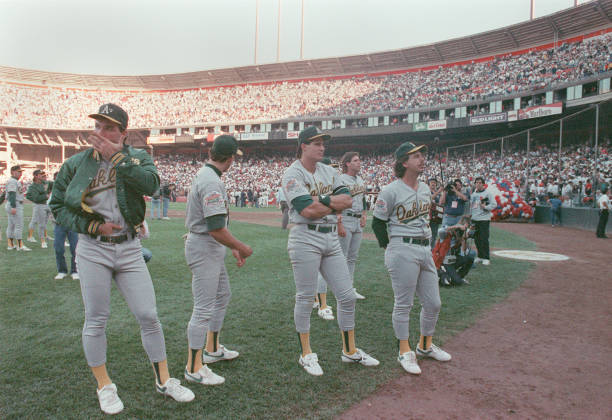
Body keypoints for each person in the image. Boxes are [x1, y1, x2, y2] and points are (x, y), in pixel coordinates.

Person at [49, 103, 194, 415]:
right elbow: (58, 205)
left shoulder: (137, 157)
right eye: (99, 126)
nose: (102, 133)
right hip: (92, 246)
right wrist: (91, 225)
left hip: (129, 247)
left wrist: (117, 157)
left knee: (148, 314)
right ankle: (105, 385)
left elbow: (152, 186)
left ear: (123, 133)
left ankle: (164, 379)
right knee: (97, 318)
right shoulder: (76, 163)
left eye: (110, 127)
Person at [282, 126, 379, 376]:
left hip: (331, 238)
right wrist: (329, 203)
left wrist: (321, 201)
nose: (322, 147)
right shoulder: (292, 173)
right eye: (316, 143)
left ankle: (350, 351)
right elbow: (307, 211)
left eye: (323, 143)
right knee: (305, 298)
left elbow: (346, 202)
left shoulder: (329, 170)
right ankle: (306, 353)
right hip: (305, 237)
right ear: (303, 145)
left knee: (346, 296)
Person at [372, 141, 451, 375]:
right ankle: (405, 351)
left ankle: (425, 346)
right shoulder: (391, 190)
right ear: (404, 162)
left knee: (433, 303)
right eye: (415, 156)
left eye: (422, 155)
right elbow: (378, 222)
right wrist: (391, 247)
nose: (422, 159)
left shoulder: (425, 188)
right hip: (402, 248)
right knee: (404, 303)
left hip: (424, 248)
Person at [183, 134, 253, 386]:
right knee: (203, 308)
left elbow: (216, 227)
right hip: (205, 245)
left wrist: (230, 247)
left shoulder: (208, 175)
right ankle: (193, 366)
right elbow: (215, 228)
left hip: (208, 244)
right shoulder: (211, 181)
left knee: (222, 295)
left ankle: (211, 349)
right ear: (230, 158)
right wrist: (240, 246)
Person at [50, 173, 79, 280]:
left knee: (75, 248)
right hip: (59, 224)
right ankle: (61, 270)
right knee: (58, 248)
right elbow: (51, 206)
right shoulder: (55, 192)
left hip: (72, 224)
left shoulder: (74, 190)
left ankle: (75, 271)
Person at [469, 177, 496, 265]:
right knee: (476, 239)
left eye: (480, 182)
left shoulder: (488, 193)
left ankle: (486, 257)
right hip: (474, 219)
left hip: (484, 219)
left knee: (484, 238)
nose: (478, 184)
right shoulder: (473, 194)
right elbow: (471, 206)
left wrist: (486, 207)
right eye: (476, 182)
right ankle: (480, 256)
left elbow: (494, 204)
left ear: (483, 184)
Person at [5, 165, 31, 251]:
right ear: (13, 172)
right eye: (18, 171)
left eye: (21, 172)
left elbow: (5, 194)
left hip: (13, 203)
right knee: (18, 225)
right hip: (15, 204)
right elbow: (12, 194)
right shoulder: (13, 181)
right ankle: (20, 245)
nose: (20, 173)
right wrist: (13, 206)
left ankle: (10, 245)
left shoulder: (15, 181)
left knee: (11, 225)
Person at [26, 169, 51, 248]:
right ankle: (42, 241)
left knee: (45, 222)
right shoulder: (33, 186)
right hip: (40, 205)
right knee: (40, 223)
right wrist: (45, 196)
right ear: (36, 176)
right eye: (40, 174)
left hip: (46, 204)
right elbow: (35, 197)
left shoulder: (44, 183)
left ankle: (43, 236)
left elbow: (52, 184)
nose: (42, 175)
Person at [428, 178, 443, 248]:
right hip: (427, 216)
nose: (433, 184)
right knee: (426, 235)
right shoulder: (426, 191)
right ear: (429, 184)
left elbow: (440, 203)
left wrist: (442, 193)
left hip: (435, 217)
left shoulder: (438, 193)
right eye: (432, 182)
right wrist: (438, 191)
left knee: (434, 235)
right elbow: (429, 199)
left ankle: (431, 251)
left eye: (434, 182)